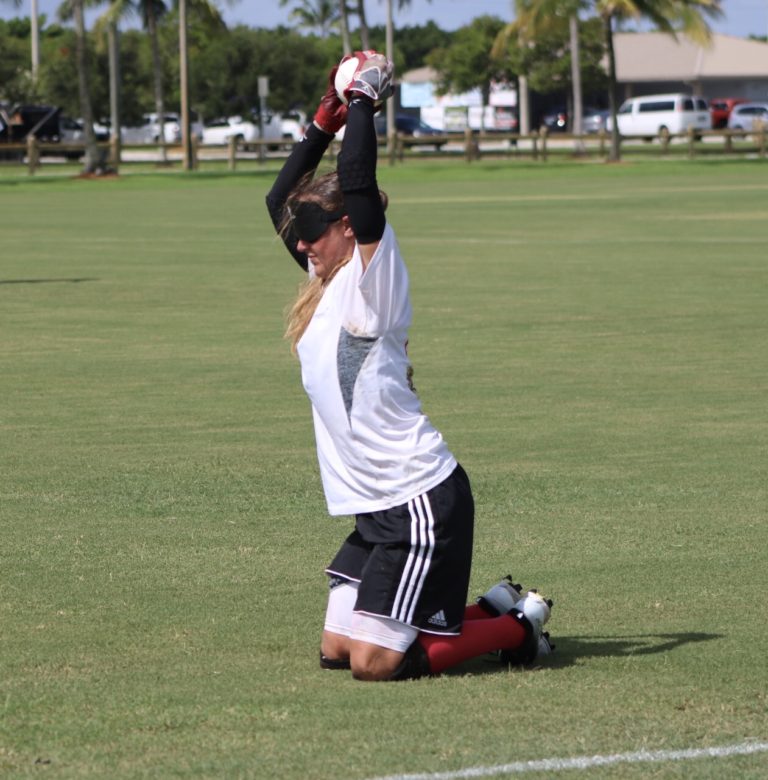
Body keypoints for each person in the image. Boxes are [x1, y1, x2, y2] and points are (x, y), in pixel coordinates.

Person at [265, 52, 554, 681]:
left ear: (347, 228)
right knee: (336, 652)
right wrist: (322, 121)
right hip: (379, 508)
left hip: (419, 497)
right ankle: (487, 607)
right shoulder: (327, 277)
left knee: (374, 665)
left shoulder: (372, 281)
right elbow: (277, 202)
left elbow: (360, 186)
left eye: (315, 232)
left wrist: (363, 102)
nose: (302, 244)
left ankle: (519, 628)